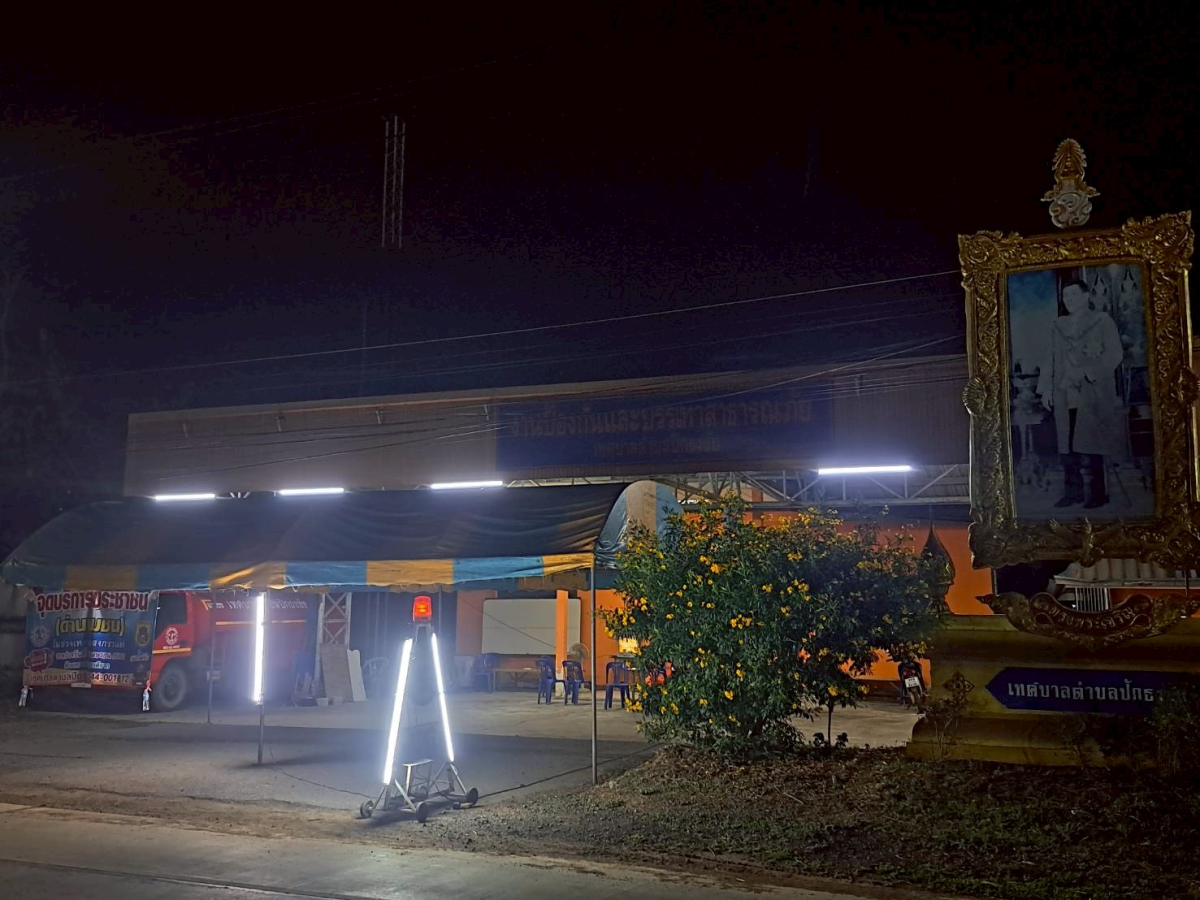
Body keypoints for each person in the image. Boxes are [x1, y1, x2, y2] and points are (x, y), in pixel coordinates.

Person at [1036, 279, 1125, 509]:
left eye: (1074, 295)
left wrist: (1088, 373)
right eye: (1066, 296)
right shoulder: (1058, 326)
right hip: (1064, 393)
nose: (1069, 300)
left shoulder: (1102, 321)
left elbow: (1115, 354)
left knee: (1093, 443)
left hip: (1092, 392)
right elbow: (1049, 358)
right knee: (1066, 444)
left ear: (1086, 296)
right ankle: (1073, 492)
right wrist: (1046, 389)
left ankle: (1098, 493)